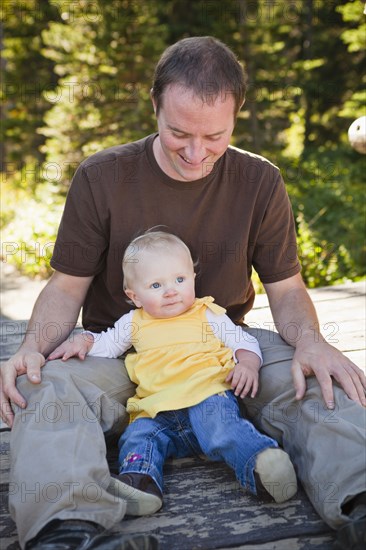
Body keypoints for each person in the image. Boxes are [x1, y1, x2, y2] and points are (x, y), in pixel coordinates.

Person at [0, 35, 365, 550]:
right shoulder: (102, 177)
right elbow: (65, 287)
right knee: (43, 386)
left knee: (325, 379)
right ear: (154, 105)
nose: (196, 155)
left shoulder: (260, 181)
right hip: (124, 349)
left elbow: (286, 289)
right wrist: (30, 349)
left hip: (229, 350)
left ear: (237, 113)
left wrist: (309, 339)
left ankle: (359, 499)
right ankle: (67, 528)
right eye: (178, 133)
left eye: (214, 136)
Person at [49, 230, 298, 515]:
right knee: (138, 436)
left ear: (193, 277)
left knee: (223, 428)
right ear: (135, 296)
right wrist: (85, 340)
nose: (171, 291)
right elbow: (107, 345)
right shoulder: (133, 322)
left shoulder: (206, 312)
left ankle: (261, 465)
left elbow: (242, 340)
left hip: (207, 396)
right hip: (157, 409)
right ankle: (141, 483)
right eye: (156, 285)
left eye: (180, 280)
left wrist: (248, 364)